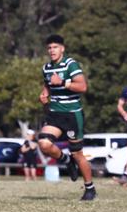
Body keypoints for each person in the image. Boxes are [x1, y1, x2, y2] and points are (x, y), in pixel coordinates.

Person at [37, 34, 96, 201]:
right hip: (55, 113)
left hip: (72, 115)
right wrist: (44, 95)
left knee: (78, 153)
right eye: (49, 48)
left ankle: (90, 188)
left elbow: (82, 86)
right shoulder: (46, 68)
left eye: (55, 47)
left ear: (62, 48)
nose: (52, 50)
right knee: (43, 143)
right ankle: (66, 160)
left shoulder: (71, 64)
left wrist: (63, 82)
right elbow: (48, 85)